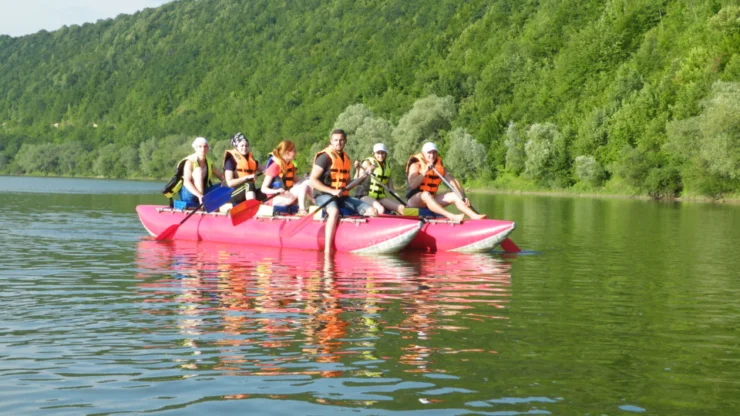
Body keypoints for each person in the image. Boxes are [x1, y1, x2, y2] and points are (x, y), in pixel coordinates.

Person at [310, 129, 377, 252]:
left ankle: (365, 241)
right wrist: (332, 191)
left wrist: (365, 175)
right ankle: (327, 249)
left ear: (345, 141)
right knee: (334, 212)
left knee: (372, 210)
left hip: (342, 196)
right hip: (323, 196)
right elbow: (312, 181)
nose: (338, 143)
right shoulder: (324, 158)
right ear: (331, 141)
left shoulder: (346, 158)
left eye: (341, 140)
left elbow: (348, 185)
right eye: (336, 140)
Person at [405, 142, 487, 222]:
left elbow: (454, 182)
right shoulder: (415, 164)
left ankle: (474, 216)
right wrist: (425, 171)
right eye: (429, 152)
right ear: (423, 153)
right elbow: (413, 184)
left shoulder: (440, 166)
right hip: (415, 201)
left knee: (455, 195)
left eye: (434, 152)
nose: (432, 155)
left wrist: (463, 197)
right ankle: (451, 216)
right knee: (426, 194)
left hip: (431, 199)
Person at [260, 140, 312, 215]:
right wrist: (276, 191)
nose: (296, 153)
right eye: (294, 151)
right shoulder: (275, 166)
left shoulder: (291, 166)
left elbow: (298, 182)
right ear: (287, 153)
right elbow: (263, 189)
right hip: (275, 199)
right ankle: (302, 210)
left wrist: (306, 178)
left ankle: (317, 204)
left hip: (287, 196)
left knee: (308, 182)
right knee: (303, 186)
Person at [353, 143, 405, 215]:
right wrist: (360, 170)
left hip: (380, 198)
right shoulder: (367, 163)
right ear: (373, 154)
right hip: (364, 196)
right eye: (378, 153)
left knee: (402, 208)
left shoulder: (387, 168)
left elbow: (391, 189)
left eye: (383, 153)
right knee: (380, 209)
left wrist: (401, 200)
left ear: (386, 154)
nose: (380, 155)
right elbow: (356, 181)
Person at [179, 136, 225, 208]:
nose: (203, 149)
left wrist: (229, 182)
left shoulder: (209, 162)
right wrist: (200, 196)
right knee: (198, 170)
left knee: (226, 184)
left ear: (207, 148)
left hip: (203, 193)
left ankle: (228, 203)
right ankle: (201, 202)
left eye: (205, 146)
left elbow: (221, 176)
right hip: (188, 194)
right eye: (200, 147)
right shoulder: (190, 161)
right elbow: (186, 182)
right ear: (195, 148)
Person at [223, 132, 264, 204]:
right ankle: (251, 207)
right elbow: (230, 183)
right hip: (232, 194)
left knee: (265, 189)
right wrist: (247, 177)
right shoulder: (230, 160)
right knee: (248, 184)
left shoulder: (251, 160)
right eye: (242, 146)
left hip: (249, 191)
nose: (244, 148)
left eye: (246, 146)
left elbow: (266, 169)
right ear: (236, 146)